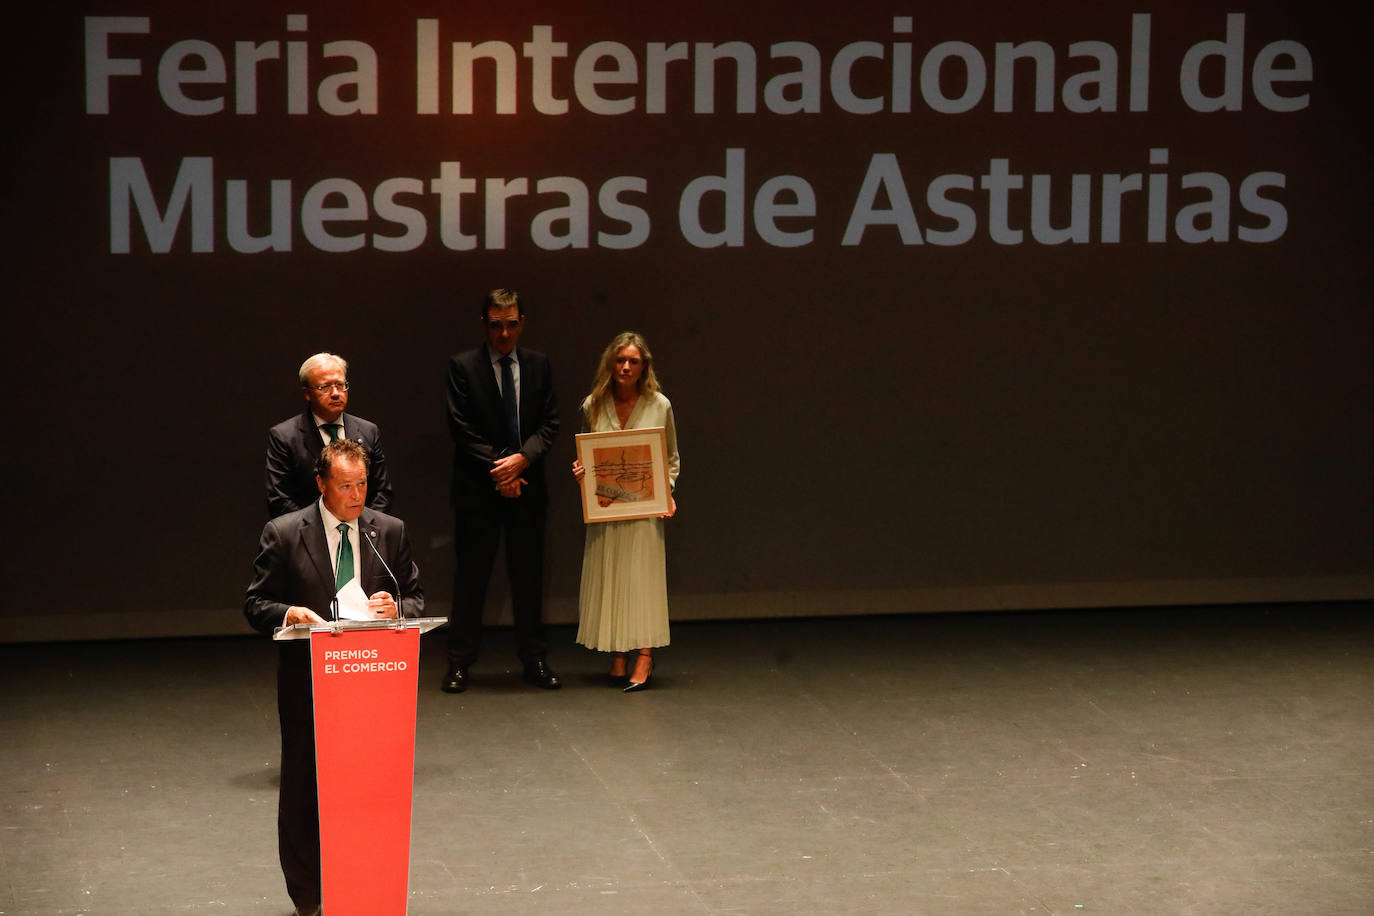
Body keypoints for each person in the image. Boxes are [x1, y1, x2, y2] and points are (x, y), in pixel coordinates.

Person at [244, 438, 423, 915]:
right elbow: (255, 604)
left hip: (373, 686)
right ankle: (308, 899)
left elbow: (415, 597)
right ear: (321, 484)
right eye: (346, 486)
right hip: (309, 686)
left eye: (363, 484)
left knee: (368, 790)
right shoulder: (283, 533)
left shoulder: (388, 530)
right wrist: (289, 613)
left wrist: (397, 607)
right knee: (305, 791)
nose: (357, 495)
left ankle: (366, 888)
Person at [443, 289, 561, 692]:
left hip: (528, 487)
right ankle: (459, 663)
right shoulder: (462, 366)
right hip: (479, 490)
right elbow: (461, 428)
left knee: (529, 580)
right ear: (485, 325)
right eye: (496, 325)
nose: (504, 333)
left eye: (511, 324)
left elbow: (550, 423)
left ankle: (535, 660)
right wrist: (501, 469)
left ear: (522, 322)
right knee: (471, 580)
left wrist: (522, 460)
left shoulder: (539, 365)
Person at [571, 332, 680, 691]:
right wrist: (581, 471)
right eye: (620, 360)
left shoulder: (659, 405)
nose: (626, 367)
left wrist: (668, 492)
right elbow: (589, 455)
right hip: (607, 508)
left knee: (642, 581)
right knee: (612, 578)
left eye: (633, 361)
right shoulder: (593, 405)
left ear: (643, 366)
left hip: (645, 510)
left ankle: (644, 656)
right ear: (611, 363)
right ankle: (618, 654)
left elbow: (670, 459)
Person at [266, 352, 393, 518]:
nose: (335, 393)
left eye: (340, 385)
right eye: (325, 387)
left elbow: (382, 492)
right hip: (308, 537)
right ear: (307, 393)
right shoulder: (284, 437)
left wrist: (361, 527)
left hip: (360, 534)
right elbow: (279, 499)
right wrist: (321, 530)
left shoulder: (368, 431)